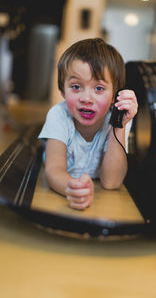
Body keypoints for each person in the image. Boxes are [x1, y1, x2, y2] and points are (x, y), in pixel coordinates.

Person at [38, 38, 138, 210]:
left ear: (115, 95)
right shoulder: (59, 115)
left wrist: (118, 126)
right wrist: (73, 188)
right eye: (76, 86)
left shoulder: (118, 120)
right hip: (65, 174)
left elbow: (111, 182)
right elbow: (54, 170)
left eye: (99, 88)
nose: (86, 99)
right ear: (62, 90)